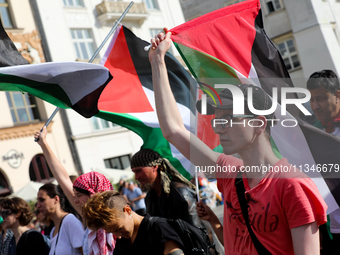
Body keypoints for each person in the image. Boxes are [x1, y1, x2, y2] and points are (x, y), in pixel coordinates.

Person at [148, 30, 328, 254]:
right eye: (217, 121)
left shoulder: (292, 185)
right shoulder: (231, 173)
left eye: (228, 119)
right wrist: (157, 61)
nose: (218, 128)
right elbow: (173, 130)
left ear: (259, 123)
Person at [34, 127, 115, 255]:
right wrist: (44, 144)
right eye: (74, 195)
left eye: (79, 195)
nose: (75, 200)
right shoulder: (91, 219)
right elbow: (63, 178)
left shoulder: (119, 220)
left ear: (94, 194)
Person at [82, 190, 184, 255]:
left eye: (119, 229)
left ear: (127, 210)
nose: (118, 236)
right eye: (112, 233)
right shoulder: (123, 241)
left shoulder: (158, 228)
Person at [307, 69, 340, 255]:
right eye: (312, 100)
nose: (315, 106)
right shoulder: (314, 133)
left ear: (337, 96)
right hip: (333, 229)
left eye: (319, 98)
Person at [131, 149, 203, 227]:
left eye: (139, 171)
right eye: (134, 172)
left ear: (154, 167)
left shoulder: (179, 192)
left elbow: (198, 231)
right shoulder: (150, 197)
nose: (136, 177)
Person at [37, 183, 84, 255]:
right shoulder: (53, 230)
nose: (38, 205)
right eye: (38, 201)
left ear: (56, 199)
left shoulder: (69, 221)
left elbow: (86, 251)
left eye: (42, 200)